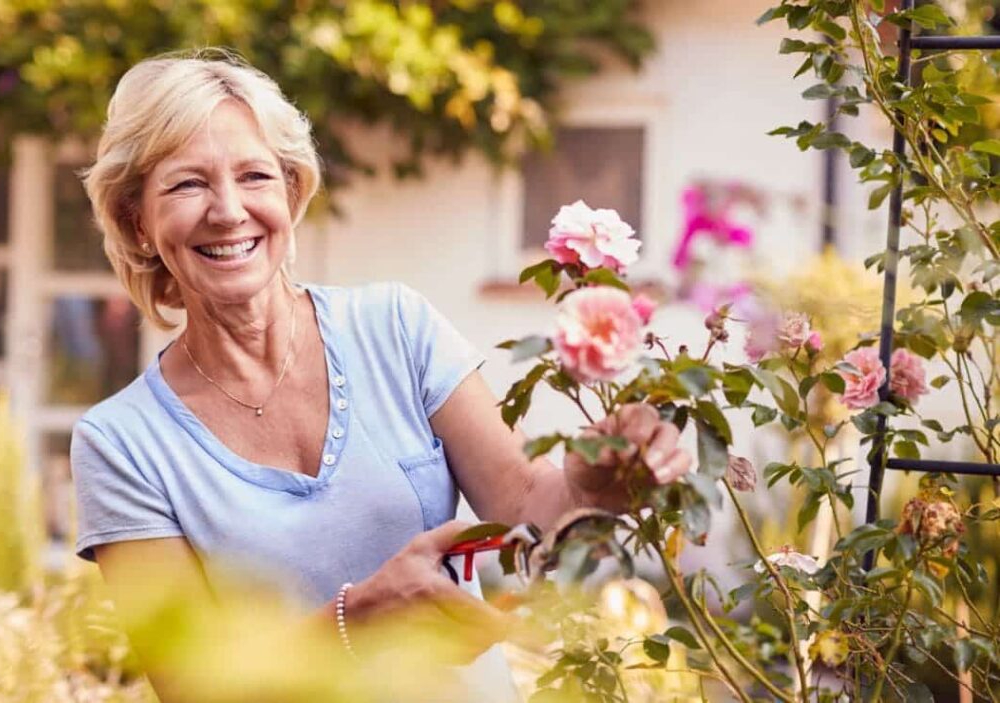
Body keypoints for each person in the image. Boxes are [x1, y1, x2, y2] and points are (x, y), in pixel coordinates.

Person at [71, 49, 692, 702]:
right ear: (138, 221)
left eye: (254, 175)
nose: (228, 210)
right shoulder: (121, 443)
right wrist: (357, 619)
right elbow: (190, 685)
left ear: (290, 191)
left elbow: (524, 510)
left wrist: (590, 485)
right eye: (187, 185)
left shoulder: (395, 327)